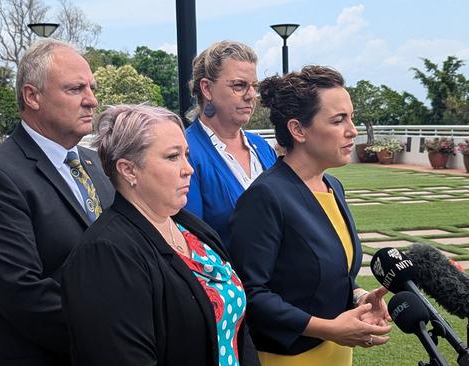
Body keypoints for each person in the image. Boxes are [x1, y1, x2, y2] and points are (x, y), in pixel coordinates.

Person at [61, 105, 254, 366]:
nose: (189, 169)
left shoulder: (193, 229)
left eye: (186, 154)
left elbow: (237, 334)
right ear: (128, 170)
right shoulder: (106, 253)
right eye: (173, 157)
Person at [0, 39, 114, 366]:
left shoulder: (98, 164)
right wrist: (117, 336)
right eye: (76, 89)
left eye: (92, 87)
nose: (92, 100)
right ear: (32, 96)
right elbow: (23, 293)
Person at [229, 66, 391, 366]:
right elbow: (251, 294)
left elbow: (333, 273)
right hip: (287, 357)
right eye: (338, 120)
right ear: (298, 130)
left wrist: (358, 297)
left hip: (337, 353)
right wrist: (329, 328)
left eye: (351, 117)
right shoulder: (265, 197)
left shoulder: (333, 187)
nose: (352, 130)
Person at [185, 40, 277, 247]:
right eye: (239, 85)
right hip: (225, 277)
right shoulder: (185, 151)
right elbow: (192, 239)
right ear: (207, 89)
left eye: (254, 86)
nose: (251, 95)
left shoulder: (262, 147)